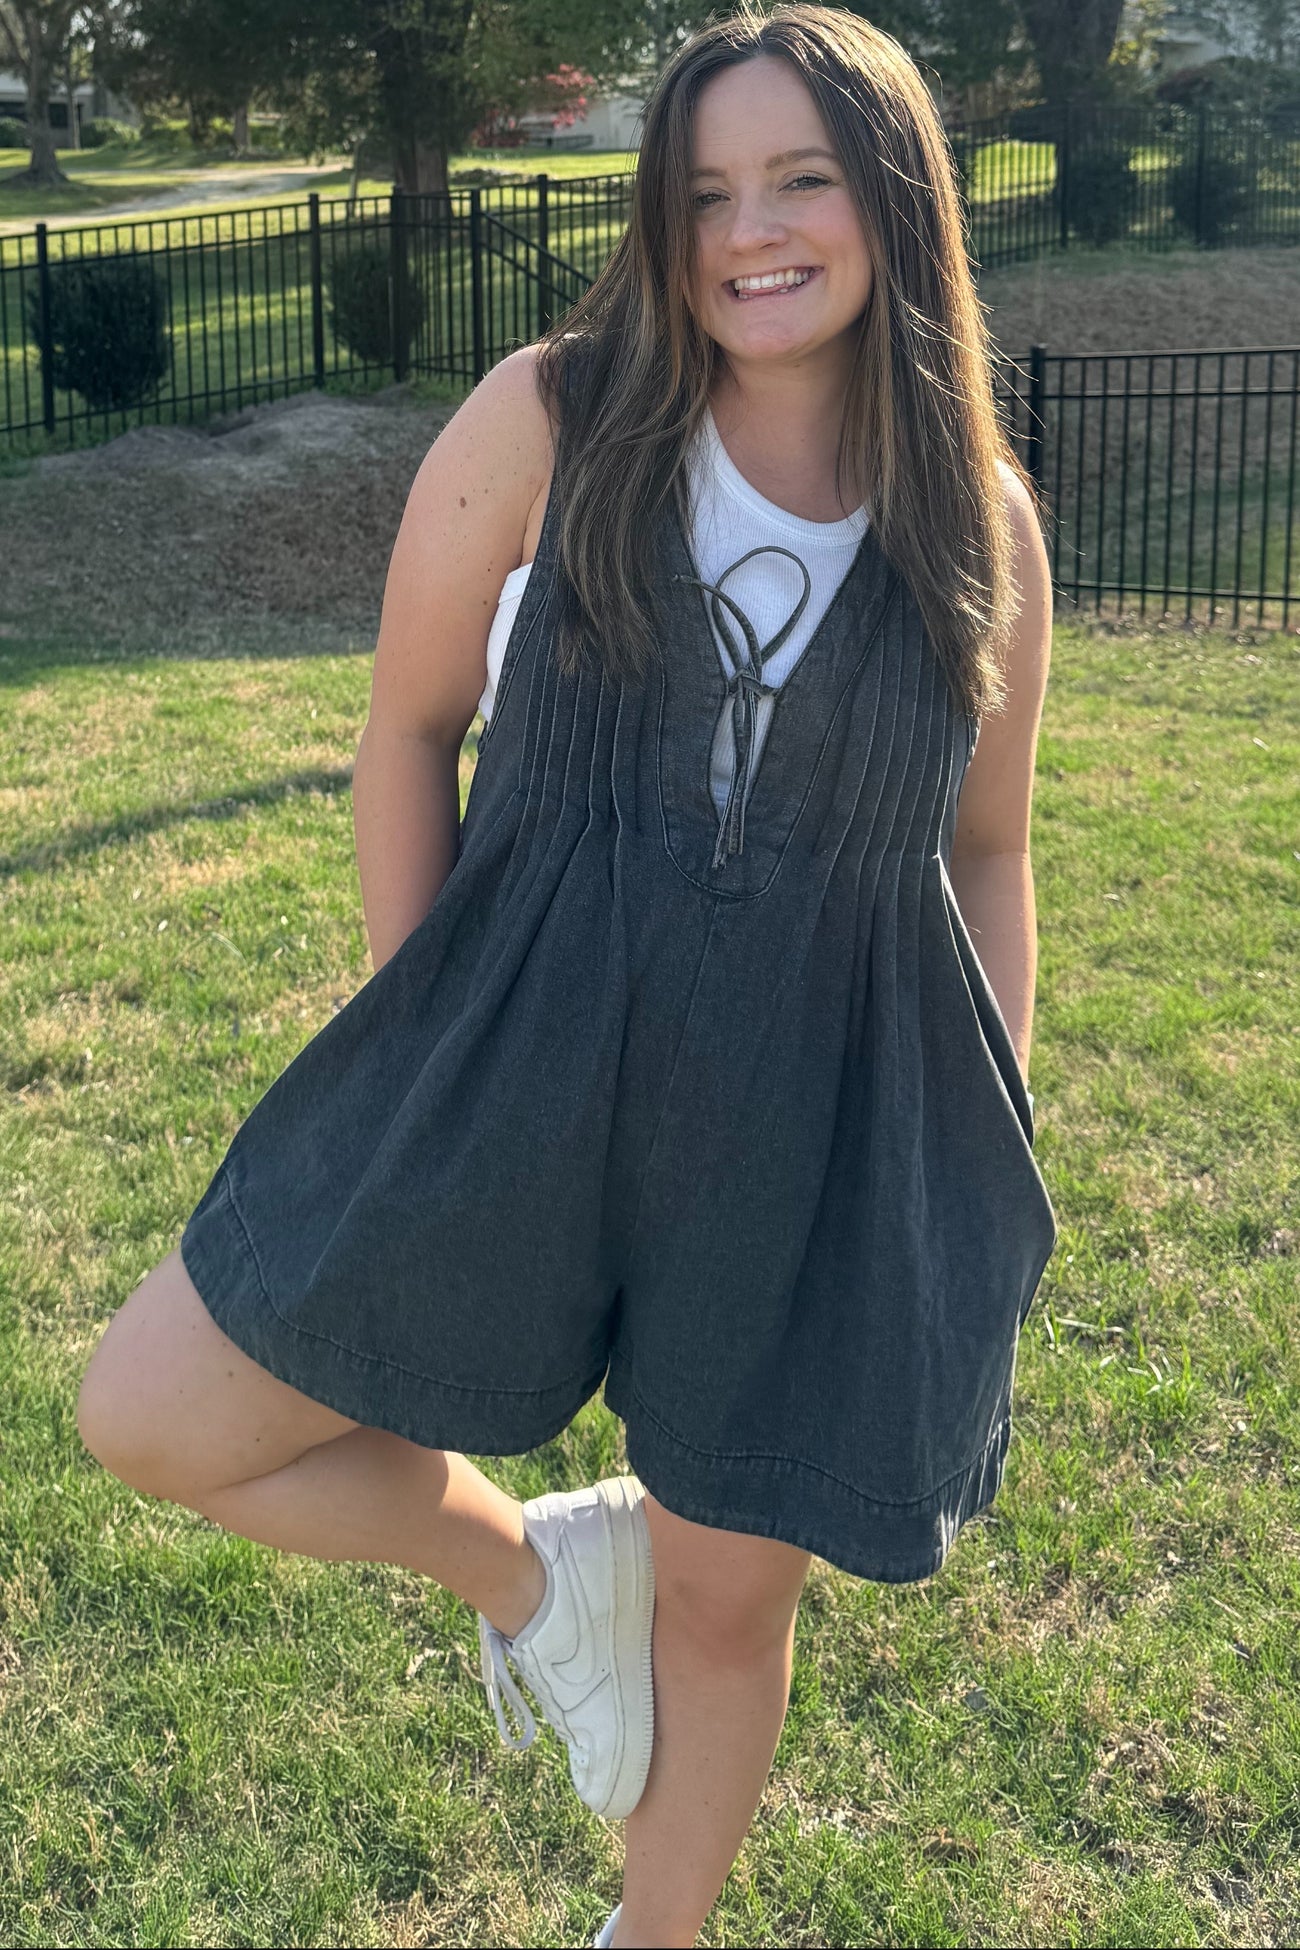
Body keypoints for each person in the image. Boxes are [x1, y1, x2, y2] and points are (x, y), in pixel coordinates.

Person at [75, 5, 1058, 1945]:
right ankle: (530, 1573)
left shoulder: (979, 522)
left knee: (727, 1593)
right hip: (519, 1038)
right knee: (158, 1413)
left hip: (814, 1109)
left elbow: (985, 845)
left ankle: (654, 1931)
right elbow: (405, 726)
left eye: (799, 180)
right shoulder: (551, 415)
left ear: (892, 200)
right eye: (703, 192)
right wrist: (425, 1030)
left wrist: (982, 1130)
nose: (749, 232)